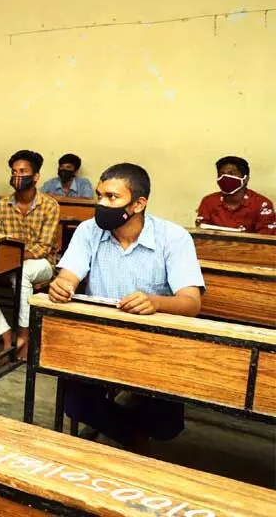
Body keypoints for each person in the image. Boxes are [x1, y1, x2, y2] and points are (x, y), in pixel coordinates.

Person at [49, 163, 203, 450]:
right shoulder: (88, 231)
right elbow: (69, 275)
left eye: (112, 197)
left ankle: (137, 417)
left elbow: (191, 303)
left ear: (138, 204)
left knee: (166, 426)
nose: (102, 204)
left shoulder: (173, 237)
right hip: (99, 337)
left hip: (154, 342)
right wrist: (63, 285)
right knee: (76, 405)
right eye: (99, 196)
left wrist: (154, 302)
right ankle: (132, 436)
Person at [0, 150, 59, 360]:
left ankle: (24, 338)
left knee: (23, 273)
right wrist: (6, 259)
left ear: (35, 177)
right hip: (9, 261)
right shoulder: (2, 206)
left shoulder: (50, 205)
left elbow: (43, 247)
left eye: (23, 171)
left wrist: (13, 258)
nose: (17, 175)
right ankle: (6, 334)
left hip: (41, 264)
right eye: (14, 171)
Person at [195, 156, 275, 235]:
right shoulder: (209, 201)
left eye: (231, 173)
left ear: (246, 178)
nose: (225, 177)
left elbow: (266, 240)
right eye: (221, 174)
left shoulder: (261, 204)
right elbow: (202, 235)